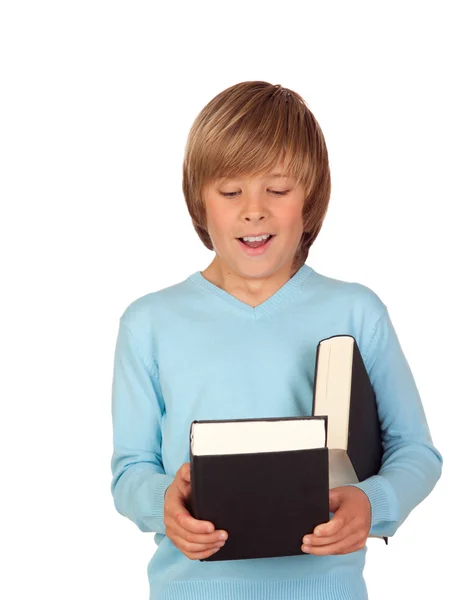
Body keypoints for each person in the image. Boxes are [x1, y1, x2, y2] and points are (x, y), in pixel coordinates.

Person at [110, 80, 443, 600]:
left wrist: (371, 505)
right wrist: (164, 503)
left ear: (310, 199)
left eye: (278, 189)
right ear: (199, 201)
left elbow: (416, 451)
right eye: (230, 191)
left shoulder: (357, 312)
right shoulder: (148, 323)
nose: (254, 210)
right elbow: (131, 469)